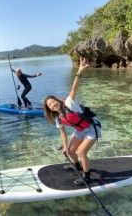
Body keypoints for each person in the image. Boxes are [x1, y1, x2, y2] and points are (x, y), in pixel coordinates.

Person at [43, 57, 101, 186]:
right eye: (50, 105)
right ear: (49, 109)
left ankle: (87, 177)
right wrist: (64, 146)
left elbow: (74, 89)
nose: (53, 104)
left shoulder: (69, 103)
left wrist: (79, 72)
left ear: (58, 101)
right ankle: (77, 167)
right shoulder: (58, 118)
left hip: (92, 127)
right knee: (69, 151)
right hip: (80, 130)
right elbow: (63, 133)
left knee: (81, 152)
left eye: (53, 102)